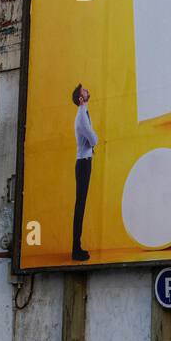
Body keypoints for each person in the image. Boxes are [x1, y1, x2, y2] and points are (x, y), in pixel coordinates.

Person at [71, 83, 98, 261]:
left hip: (84, 162)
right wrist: (94, 140)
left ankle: (76, 246)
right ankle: (76, 248)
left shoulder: (83, 114)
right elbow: (94, 139)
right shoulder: (82, 117)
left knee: (81, 204)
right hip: (83, 164)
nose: (87, 90)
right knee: (80, 206)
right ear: (82, 98)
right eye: (84, 91)